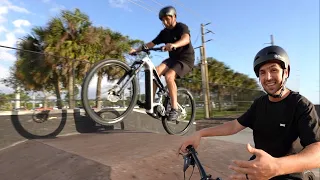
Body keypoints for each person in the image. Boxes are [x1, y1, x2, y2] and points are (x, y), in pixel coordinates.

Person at [178, 45, 320, 179]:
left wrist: (276, 166)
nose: (268, 77)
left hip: (288, 173)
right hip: (257, 168)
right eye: (262, 72)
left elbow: (317, 153)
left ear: (286, 72)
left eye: (274, 70)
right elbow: (234, 125)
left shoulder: (301, 105)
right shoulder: (259, 104)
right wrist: (200, 133)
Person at [129, 6, 195, 121]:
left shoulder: (181, 27)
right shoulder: (164, 33)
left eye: (167, 19)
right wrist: (137, 50)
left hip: (185, 60)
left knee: (169, 76)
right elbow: (151, 43)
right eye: (163, 20)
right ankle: (150, 102)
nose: (165, 22)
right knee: (154, 72)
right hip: (173, 59)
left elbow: (186, 39)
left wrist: (174, 45)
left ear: (174, 17)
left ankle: (174, 109)